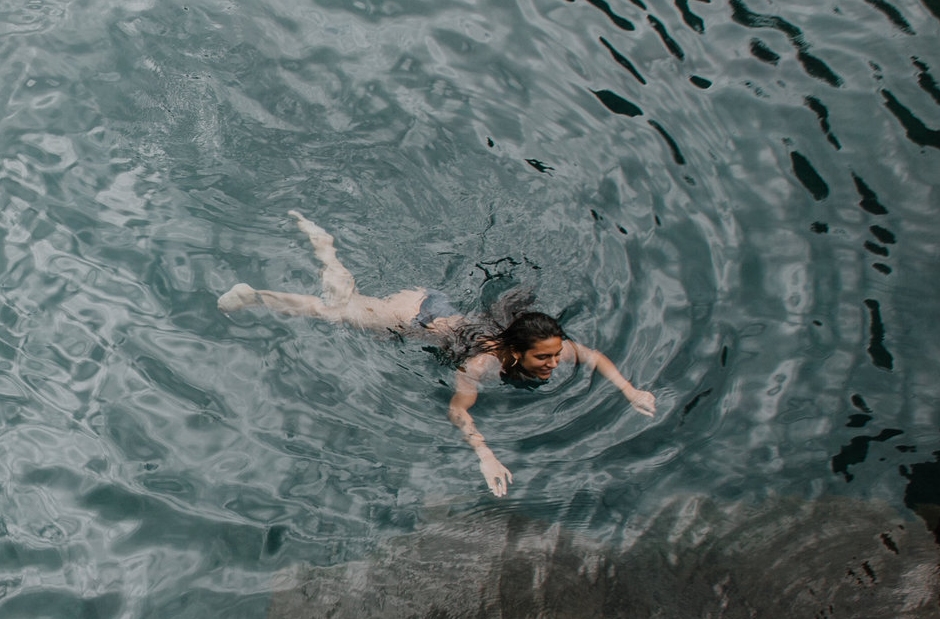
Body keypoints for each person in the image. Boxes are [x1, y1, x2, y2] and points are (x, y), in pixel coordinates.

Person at [218, 211, 657, 496]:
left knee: (341, 305)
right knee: (336, 310)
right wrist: (486, 455)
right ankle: (272, 283)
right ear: (516, 351)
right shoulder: (481, 363)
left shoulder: (546, 346)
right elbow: (459, 411)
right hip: (415, 316)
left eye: (556, 354)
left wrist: (631, 391)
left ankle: (321, 248)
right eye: (544, 358)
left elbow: (594, 357)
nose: (555, 362)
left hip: (440, 309)